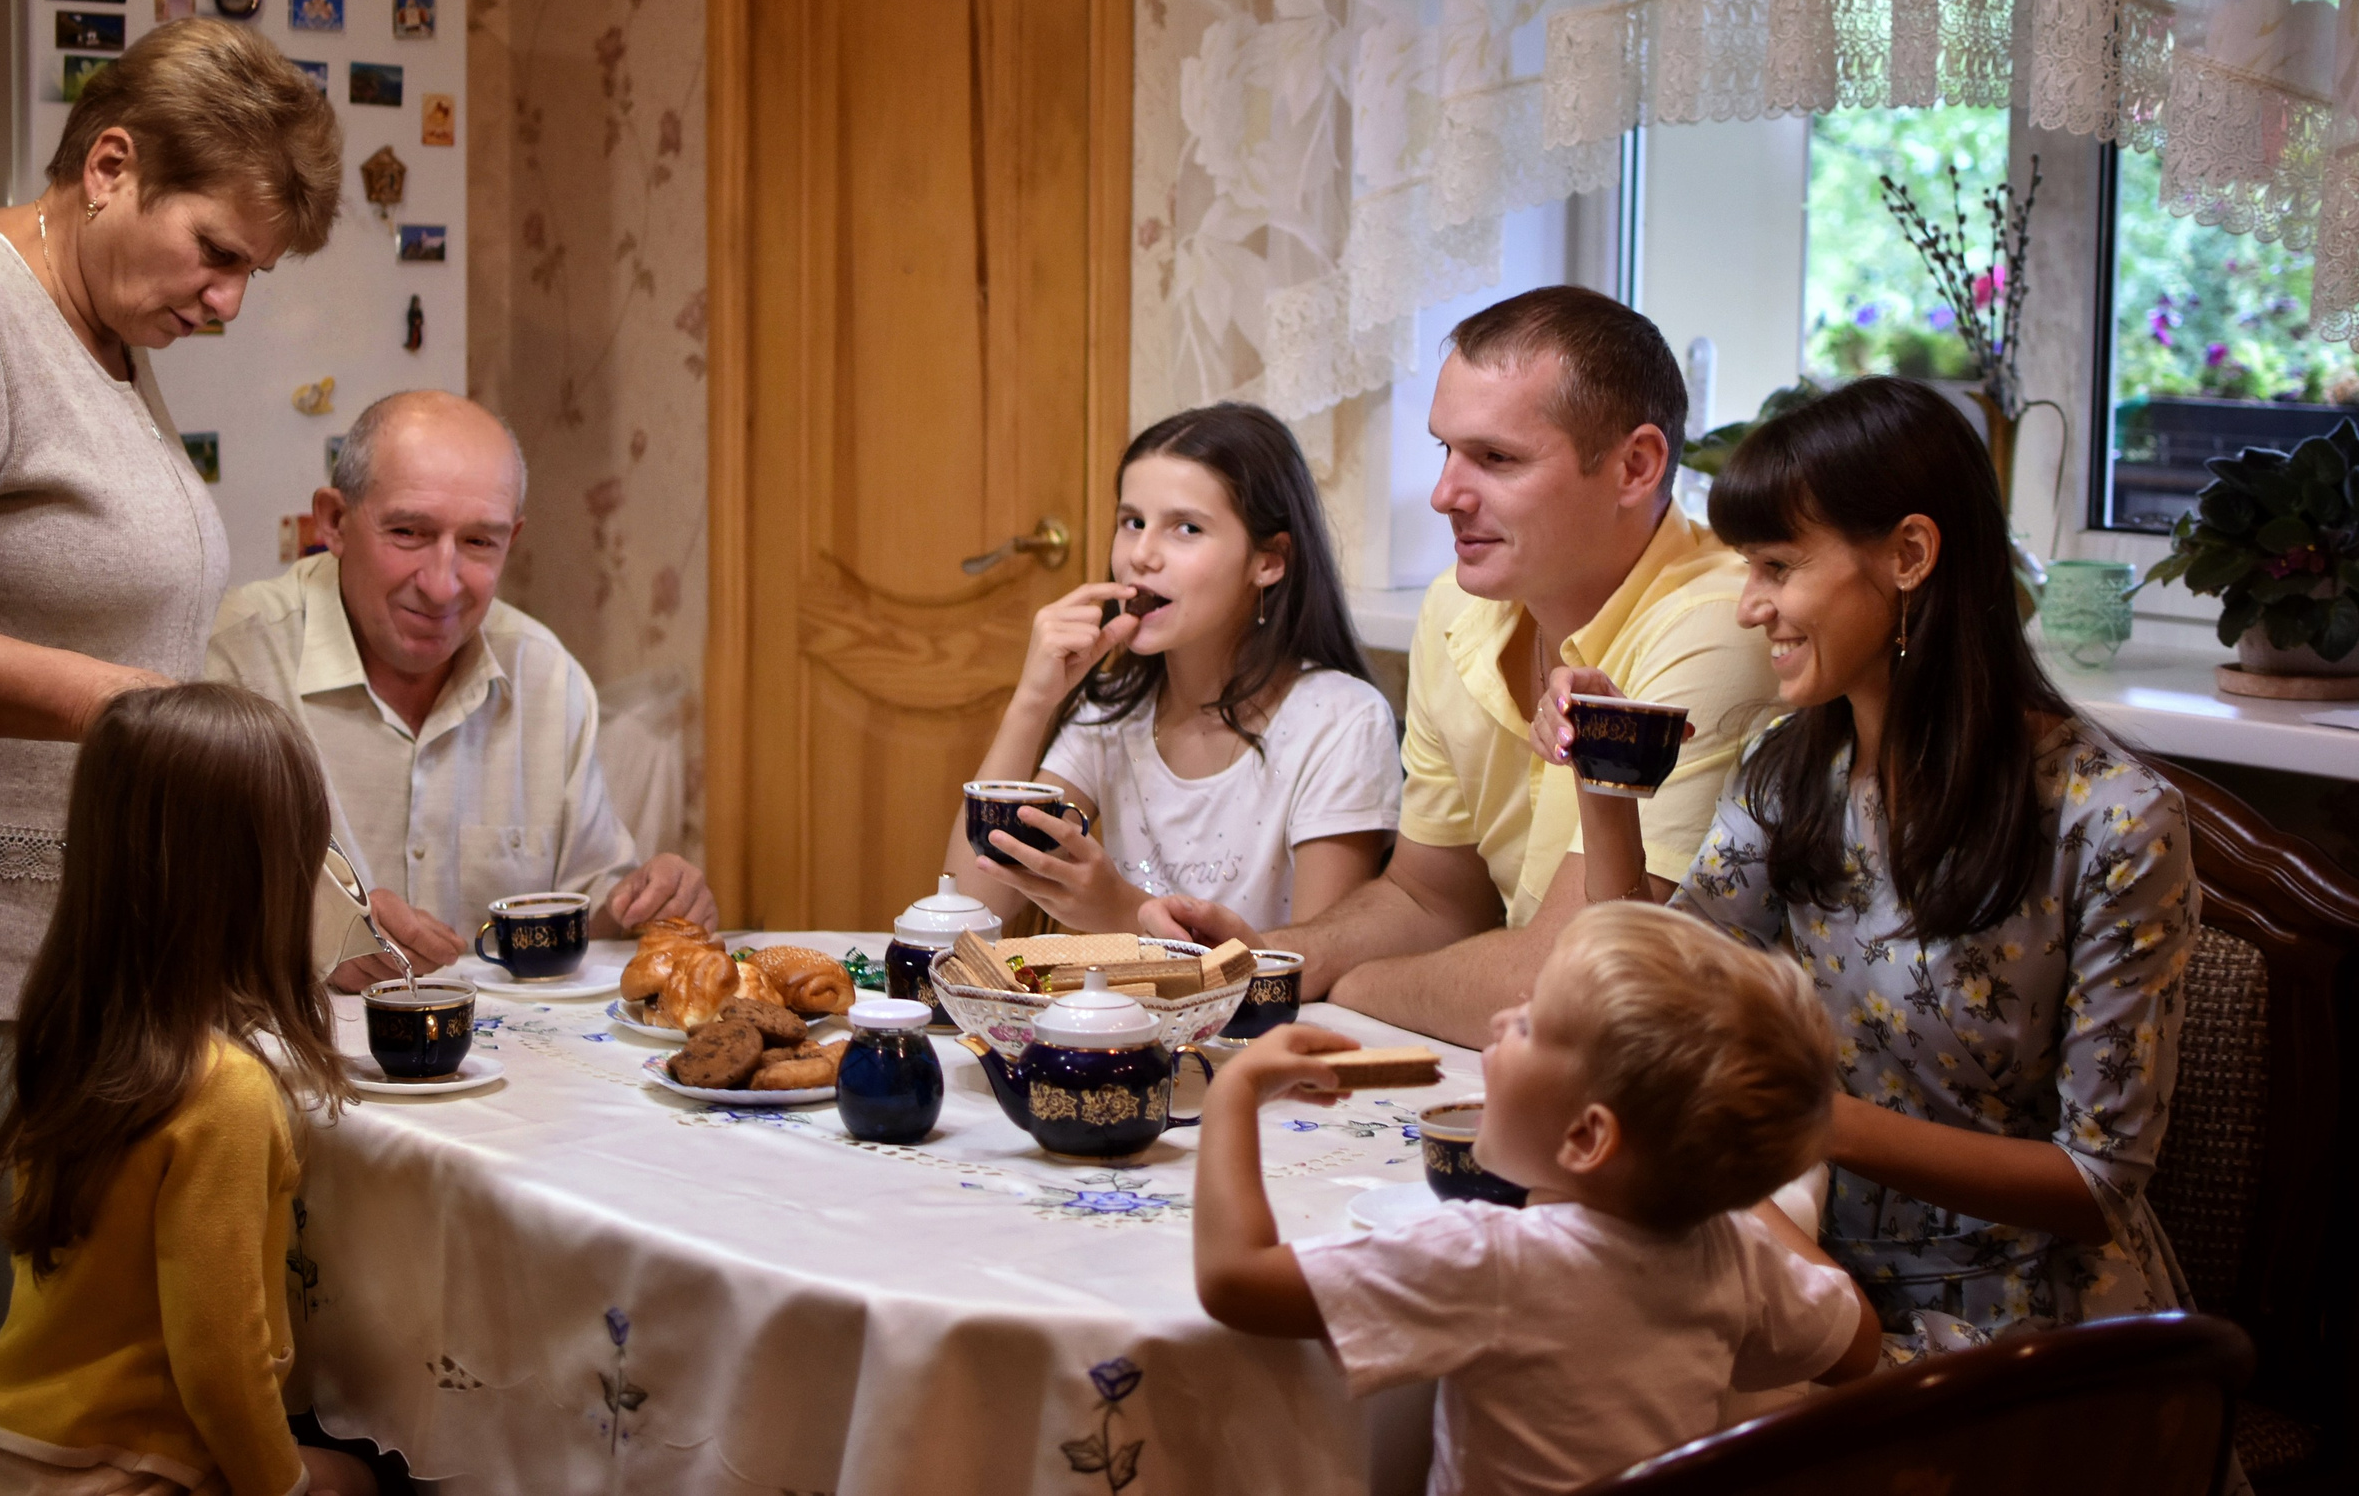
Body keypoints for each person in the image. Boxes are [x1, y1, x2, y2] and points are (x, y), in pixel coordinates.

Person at [0, 18, 342, 1492]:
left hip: (61, 972)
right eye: (215, 252)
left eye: (253, 272)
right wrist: (116, 704)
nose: (228, 300)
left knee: (43, 1415)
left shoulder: (98, 334)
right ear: (111, 166)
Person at [1532, 375, 2203, 1358]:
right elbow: (1660, 992)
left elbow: (2096, 1185)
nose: (1749, 607)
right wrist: (1602, 767)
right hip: (1806, 1274)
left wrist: (1805, 1121)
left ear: (1909, 556)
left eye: (1776, 565)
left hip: (2022, 1335)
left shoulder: (2113, 822)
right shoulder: (1792, 768)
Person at [1150, 288, 1777, 1044]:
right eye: (1445, 450)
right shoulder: (1457, 603)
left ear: (1635, 466)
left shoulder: (1725, 622)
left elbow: (1573, 981)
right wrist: (1272, 960)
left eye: (1496, 458)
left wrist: (1354, 985)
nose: (1445, 494)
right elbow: (1430, 899)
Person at [1194, 903, 1880, 1496]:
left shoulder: (1493, 1261)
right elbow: (1857, 1346)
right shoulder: (1734, 1254)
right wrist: (1715, 1180)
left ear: (1586, 1137)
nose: (1500, 1020)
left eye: (1527, 1026)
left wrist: (1235, 1093)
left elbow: (1234, 1281)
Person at [0, 683, 376, 1496]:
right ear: (263, 880)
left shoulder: (74, 1038)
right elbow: (221, 1362)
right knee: (367, 1477)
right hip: (107, 1469)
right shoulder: (227, 1095)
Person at [207, 390, 713, 989]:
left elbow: (590, 901)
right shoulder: (232, 662)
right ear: (334, 522)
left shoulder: (546, 677)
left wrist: (648, 902)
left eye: (478, 542)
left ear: (511, 540)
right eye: (408, 532)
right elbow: (159, 916)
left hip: (503, 1045)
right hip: (288, 1040)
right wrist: (303, 934)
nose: (443, 586)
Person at [940, 402, 1400, 936]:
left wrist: (1124, 913)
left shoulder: (1341, 722)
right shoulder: (1112, 712)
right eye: (1132, 522)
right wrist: (1032, 703)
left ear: (1269, 561)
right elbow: (967, 909)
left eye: (1186, 528)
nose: (1142, 554)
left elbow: (1313, 962)